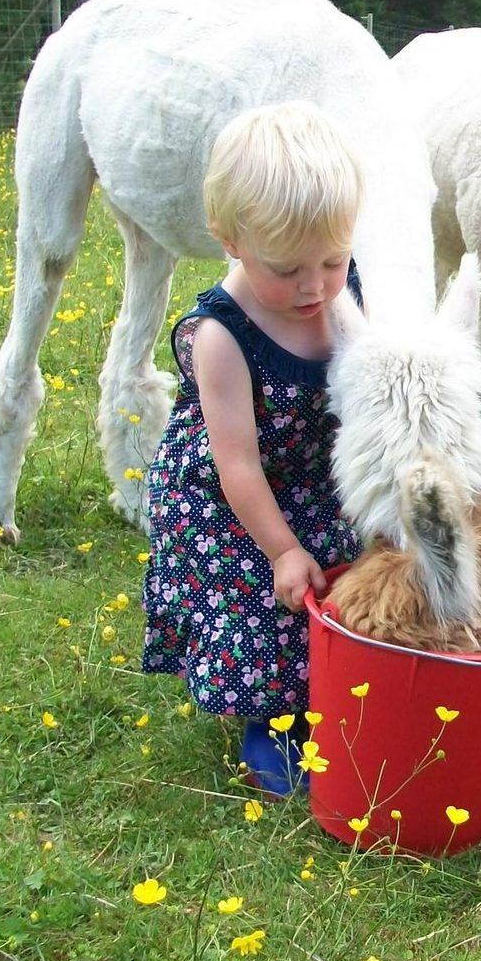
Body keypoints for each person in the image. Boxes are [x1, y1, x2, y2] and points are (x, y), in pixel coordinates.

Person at [141, 101, 364, 797]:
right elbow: (235, 460)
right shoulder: (221, 335)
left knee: (352, 570)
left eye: (332, 258)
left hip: (312, 475)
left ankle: (344, 692)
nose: (314, 286)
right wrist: (282, 550)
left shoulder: (342, 291)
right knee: (269, 604)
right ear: (229, 238)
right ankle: (271, 720)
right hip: (229, 499)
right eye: (287, 267)